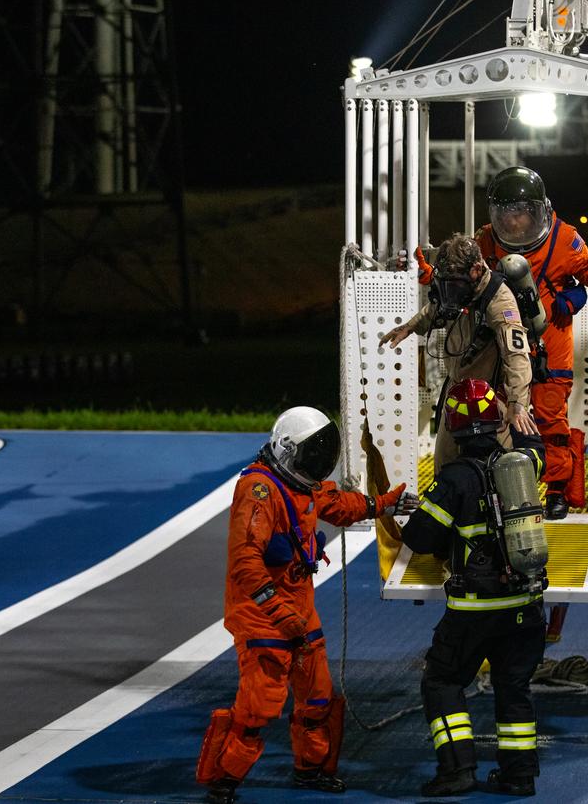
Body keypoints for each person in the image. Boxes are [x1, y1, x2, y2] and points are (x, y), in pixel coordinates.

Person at [196, 406, 415, 803]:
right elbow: (246, 563)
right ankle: (223, 780)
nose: (318, 465)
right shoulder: (259, 491)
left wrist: (382, 503)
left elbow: (338, 505)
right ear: (286, 451)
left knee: (317, 696)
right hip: (262, 616)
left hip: (299, 609)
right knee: (259, 706)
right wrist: (279, 613)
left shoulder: (302, 484)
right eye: (311, 456)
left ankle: (311, 769)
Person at [401, 378, 548, 797]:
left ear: (453, 427)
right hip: (526, 605)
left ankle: (456, 770)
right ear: (497, 419)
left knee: (442, 681)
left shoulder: (454, 480)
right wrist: (522, 423)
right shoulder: (522, 467)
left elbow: (420, 538)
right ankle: (519, 776)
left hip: (474, 611)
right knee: (513, 687)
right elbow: (539, 452)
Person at [474, 166, 588, 520]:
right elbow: (468, 273)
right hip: (501, 349)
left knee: (551, 422)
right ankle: (502, 488)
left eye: (521, 213)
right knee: (496, 419)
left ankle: (558, 491)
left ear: (537, 211)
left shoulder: (563, 239)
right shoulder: (485, 241)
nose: (514, 223)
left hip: (549, 347)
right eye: (507, 214)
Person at [378, 233, 538, 471]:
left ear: (476, 270)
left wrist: (517, 403)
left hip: (490, 399)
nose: (450, 294)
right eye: (446, 285)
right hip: (458, 392)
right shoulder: (458, 288)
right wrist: (410, 327)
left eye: (453, 286)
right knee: (445, 465)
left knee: (501, 469)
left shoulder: (500, 301)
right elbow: (435, 308)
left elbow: (516, 356)